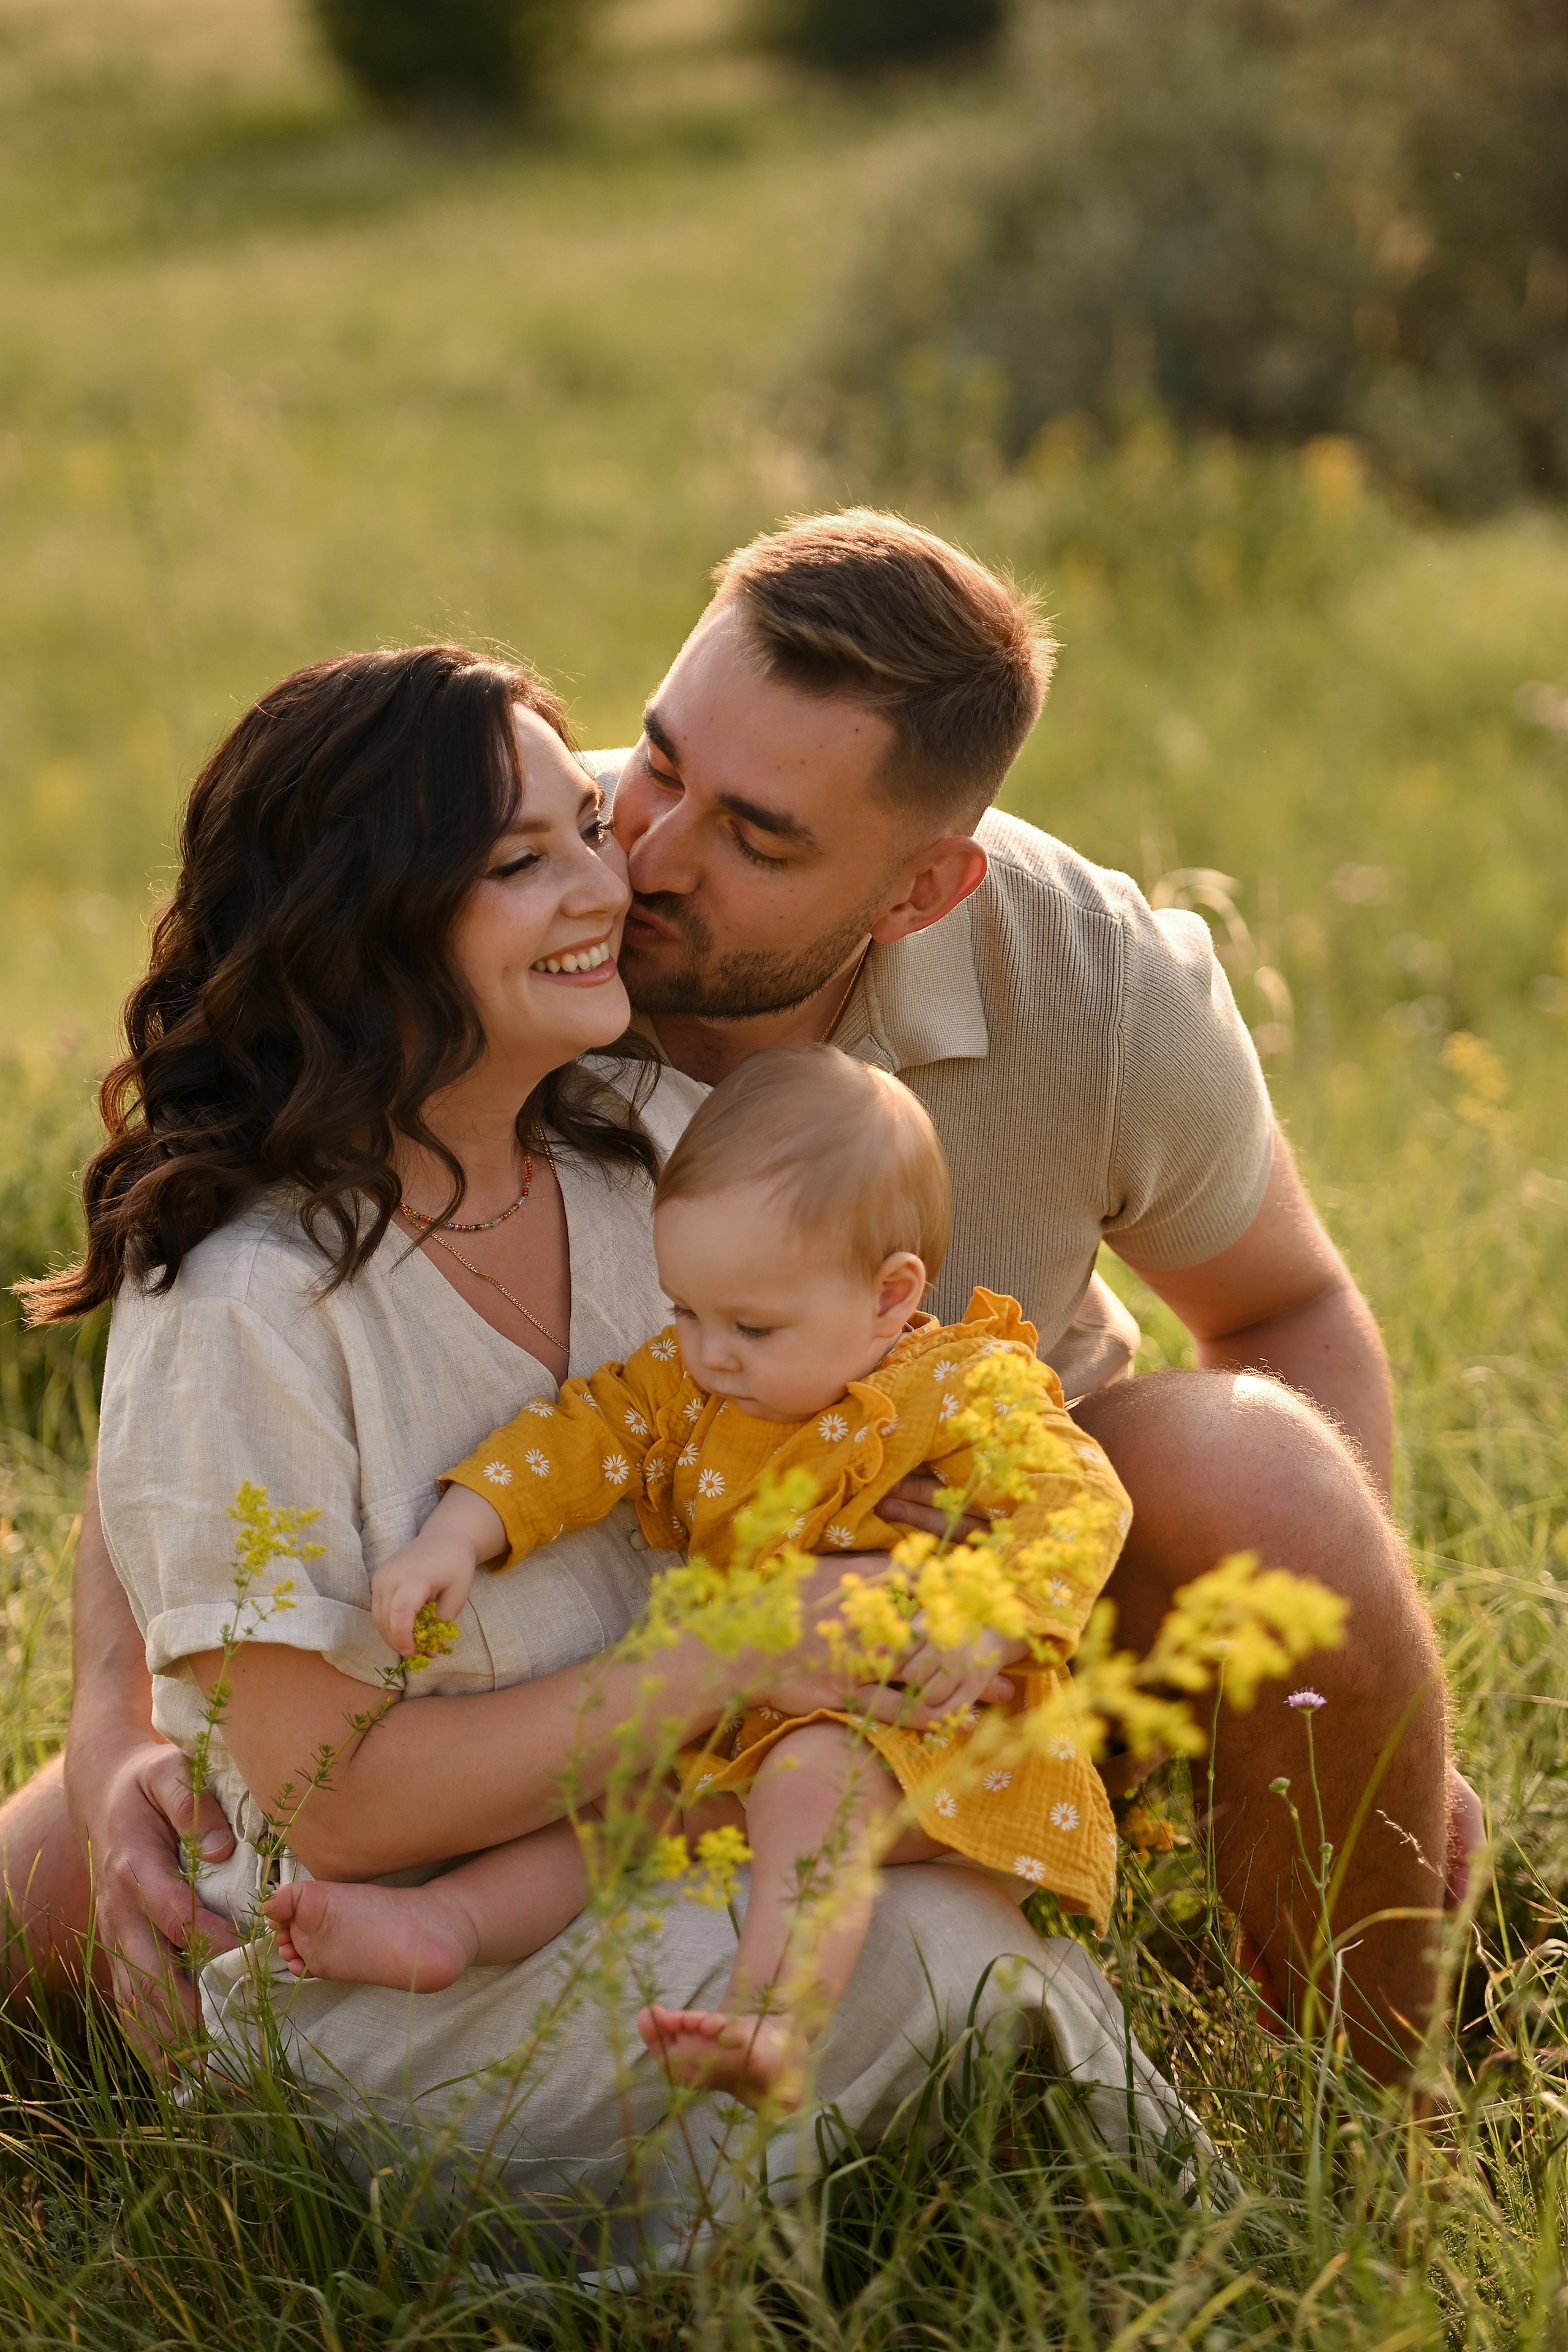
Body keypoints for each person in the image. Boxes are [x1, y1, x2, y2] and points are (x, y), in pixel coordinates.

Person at [2, 510, 1464, 2079]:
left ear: (919, 890)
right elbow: (200, 1376)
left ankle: (1376, 2110)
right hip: (565, 1628)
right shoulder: (519, 938)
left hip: (976, 1603)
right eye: (658, 761)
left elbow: (1284, 1308)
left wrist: (1318, 1708)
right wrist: (112, 1728)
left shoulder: (1094, 986)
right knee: (86, 1889)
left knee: (1259, 1465)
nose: (642, 856)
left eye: (757, 837)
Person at [13, 643, 1181, 2242]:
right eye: (521, 860)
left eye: (584, 824)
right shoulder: (243, 1308)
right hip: (407, 1982)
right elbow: (335, 1799)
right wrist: (743, 1658)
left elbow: (867, 1400)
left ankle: (1043, 2240)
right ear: (365, 923)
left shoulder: (659, 1153)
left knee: (925, 1891)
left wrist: (926, 1553)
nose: (604, 882)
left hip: (671, 1851)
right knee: (922, 1953)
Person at [264, 1046, 1132, 2111]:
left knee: (811, 1784)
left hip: (929, 1734)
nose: (708, 1353)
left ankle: (773, 2022)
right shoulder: (701, 1384)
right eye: (685, 1312)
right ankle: (447, 1927)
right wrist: (458, 1534)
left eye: (751, 1327)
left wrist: (995, 1614)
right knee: (617, 1804)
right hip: (754, 1723)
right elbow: (580, 1438)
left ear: (889, 1295)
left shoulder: (960, 1387)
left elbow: (1082, 1497)